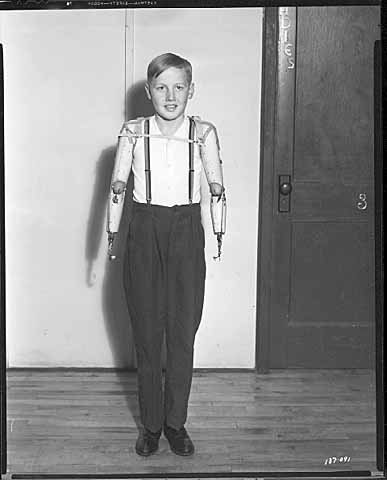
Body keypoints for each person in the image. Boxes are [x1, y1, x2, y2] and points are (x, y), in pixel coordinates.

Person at [106, 53, 226, 457]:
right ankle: (151, 427)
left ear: (191, 90)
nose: (170, 96)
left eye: (179, 87)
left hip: (186, 232)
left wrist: (219, 231)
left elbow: (216, 187)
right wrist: (109, 233)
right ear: (148, 91)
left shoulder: (204, 133)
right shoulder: (133, 132)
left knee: (181, 333)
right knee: (146, 334)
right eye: (161, 87)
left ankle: (176, 424)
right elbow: (117, 187)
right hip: (143, 231)